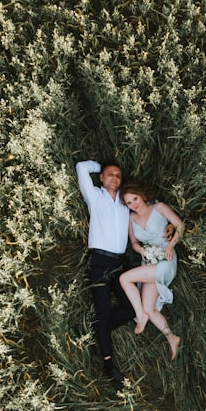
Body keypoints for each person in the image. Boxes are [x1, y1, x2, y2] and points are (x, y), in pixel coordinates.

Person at [76, 159, 135, 384]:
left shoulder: (124, 202)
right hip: (99, 260)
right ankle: (109, 364)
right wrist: (99, 164)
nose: (115, 178)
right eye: (110, 174)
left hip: (121, 263)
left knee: (132, 307)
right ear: (101, 177)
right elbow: (81, 167)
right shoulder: (94, 196)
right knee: (102, 311)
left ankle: (100, 331)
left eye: (119, 175)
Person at [118, 182, 184, 360]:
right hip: (149, 261)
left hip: (166, 260)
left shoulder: (159, 207)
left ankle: (140, 316)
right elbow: (134, 243)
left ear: (141, 195)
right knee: (149, 307)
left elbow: (179, 225)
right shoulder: (131, 218)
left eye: (135, 199)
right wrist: (143, 251)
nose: (133, 205)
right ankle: (172, 337)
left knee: (125, 279)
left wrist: (170, 246)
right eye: (129, 203)